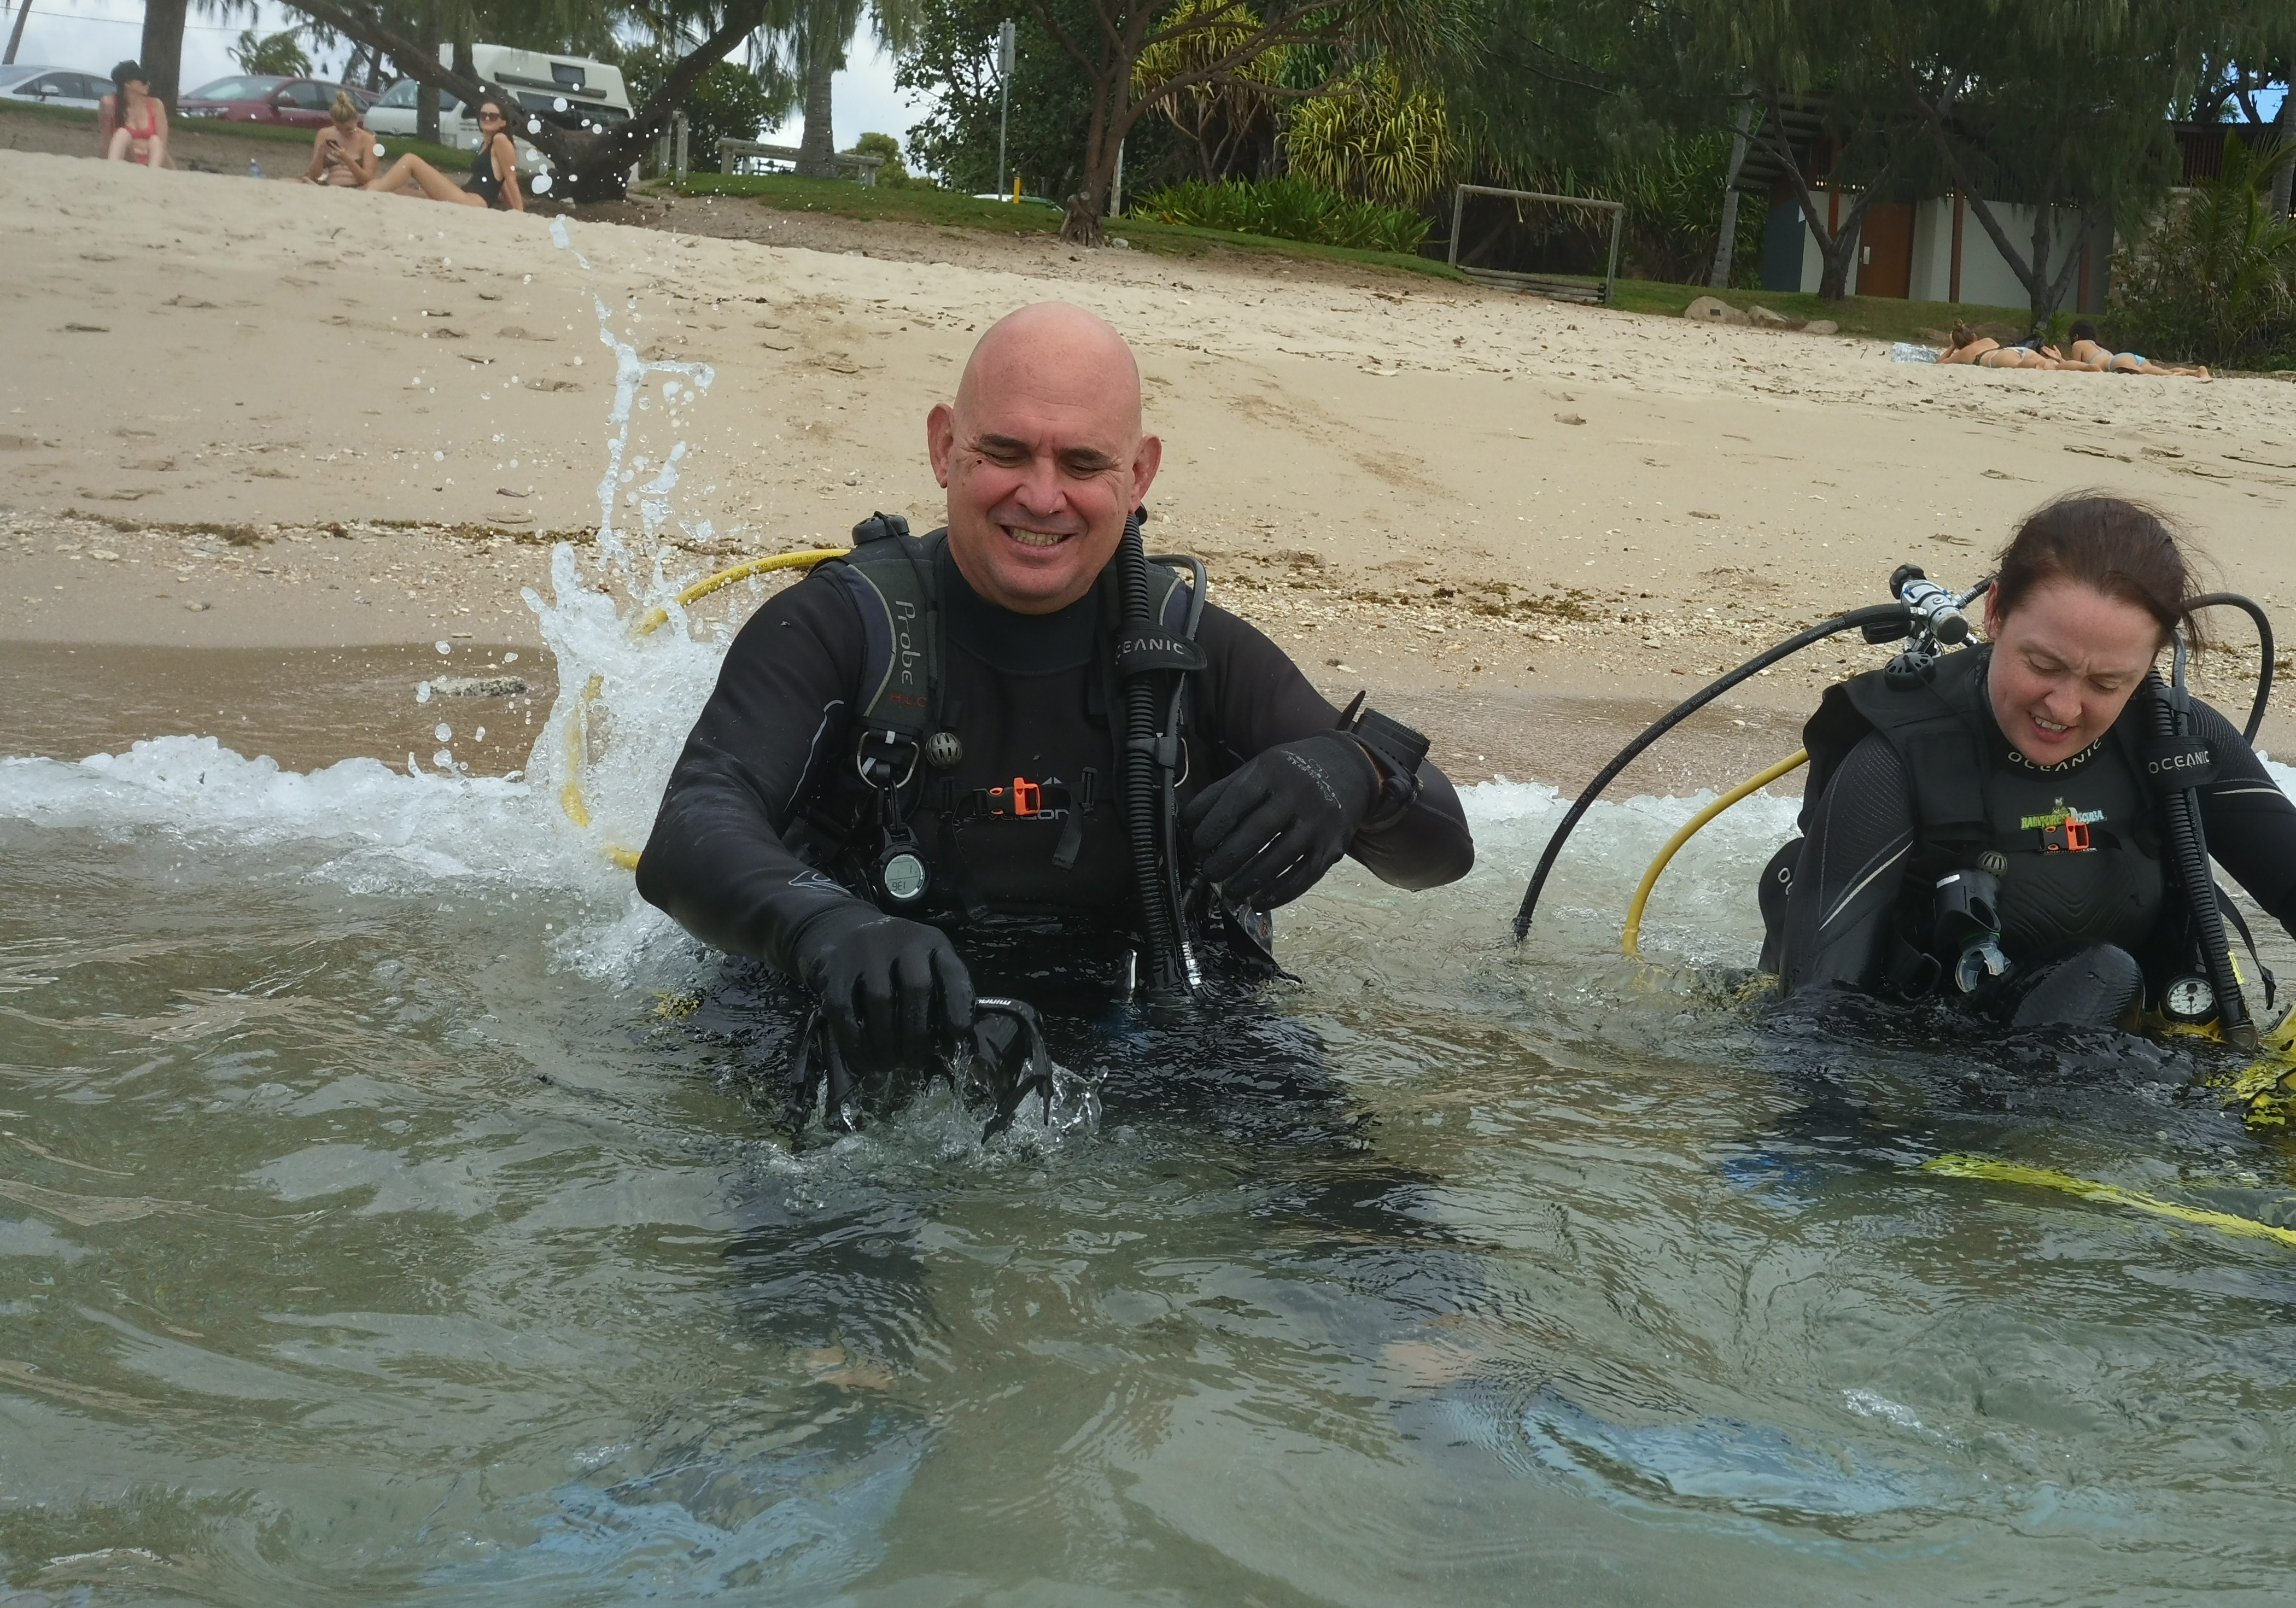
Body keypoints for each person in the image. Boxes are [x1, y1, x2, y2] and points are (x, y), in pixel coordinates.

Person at [635, 301, 1476, 1092]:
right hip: (870, 1009)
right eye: (1005, 453)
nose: (1041, 497)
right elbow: (690, 831)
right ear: (943, 446)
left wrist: (1356, 771)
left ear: (1139, 472)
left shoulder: (1189, 652)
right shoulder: (840, 628)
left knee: (1376, 1234)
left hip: (1152, 1033)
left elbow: (1442, 853)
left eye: (1083, 463)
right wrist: (824, 926)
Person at [1759, 494, 2296, 1058]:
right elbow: (1817, 1011)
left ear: (2152, 661)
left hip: (2113, 1049)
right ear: (1995, 612)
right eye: (2043, 665)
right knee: (2101, 976)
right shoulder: (1897, 756)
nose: (2064, 707)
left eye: (2109, 681)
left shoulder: (2177, 737)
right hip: (1926, 1061)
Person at [367, 98, 521, 209]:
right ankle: (373, 189)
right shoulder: (487, 143)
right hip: (465, 196)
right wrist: (513, 209)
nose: (487, 118)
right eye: (483, 115)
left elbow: (511, 179)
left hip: (473, 202)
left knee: (411, 160)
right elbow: (503, 184)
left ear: (503, 123)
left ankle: (370, 193)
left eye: (493, 116)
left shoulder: (500, 140)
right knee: (402, 191)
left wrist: (519, 214)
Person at [2061, 320, 2210, 379]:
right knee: (2152, 369)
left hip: (2116, 362)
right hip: (2127, 357)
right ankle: (2196, 372)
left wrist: (2059, 361)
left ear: (2076, 336)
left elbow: (2077, 366)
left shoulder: (2078, 344)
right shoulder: (2099, 348)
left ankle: (2175, 375)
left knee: (2145, 372)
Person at [300, 92, 382, 187]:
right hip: (329, 185)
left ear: (356, 120)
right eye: (339, 129)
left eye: (349, 129)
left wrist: (347, 160)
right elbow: (314, 175)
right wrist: (320, 155)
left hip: (358, 187)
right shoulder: (324, 134)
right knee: (293, 181)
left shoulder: (368, 140)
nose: (344, 133)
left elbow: (368, 179)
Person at [100, 61, 170, 168]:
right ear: (128, 84)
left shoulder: (156, 105)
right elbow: (106, 141)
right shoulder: (111, 104)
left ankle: (153, 175)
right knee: (122, 134)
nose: (148, 84)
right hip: (128, 160)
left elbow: (162, 144)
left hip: (153, 161)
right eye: (143, 81)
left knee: (155, 141)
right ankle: (111, 169)